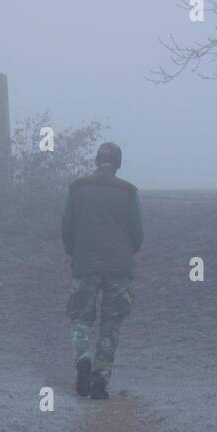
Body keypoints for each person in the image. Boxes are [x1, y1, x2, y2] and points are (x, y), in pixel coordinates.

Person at [60, 141, 144, 400]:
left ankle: (83, 358)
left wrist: (77, 254)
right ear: (118, 164)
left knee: (81, 320)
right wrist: (125, 254)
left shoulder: (77, 188)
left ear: (96, 161)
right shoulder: (129, 192)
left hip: (85, 264)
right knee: (111, 326)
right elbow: (138, 234)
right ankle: (100, 381)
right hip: (119, 268)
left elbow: (66, 229)